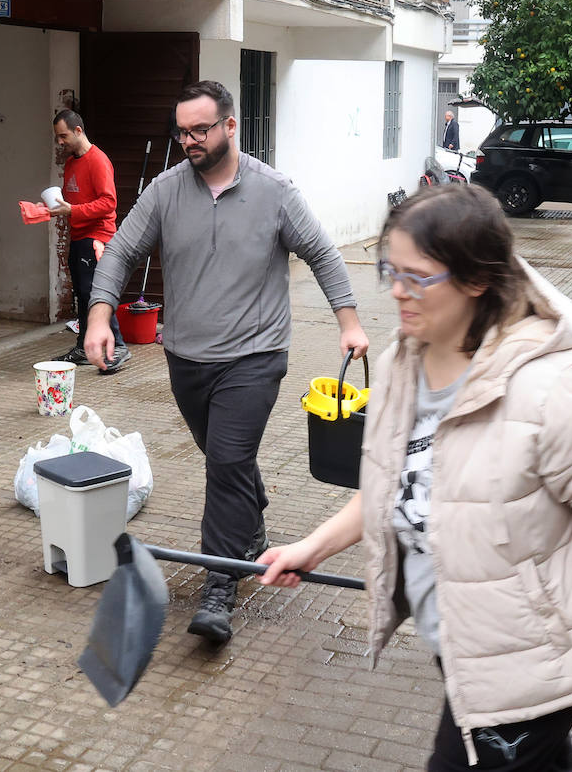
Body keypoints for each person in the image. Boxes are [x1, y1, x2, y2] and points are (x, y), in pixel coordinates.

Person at [257, 184, 572, 770]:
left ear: (476, 279)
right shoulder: (407, 357)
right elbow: (398, 483)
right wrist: (311, 547)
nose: (397, 291)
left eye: (417, 276)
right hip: (469, 643)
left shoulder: (549, 386)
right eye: (389, 271)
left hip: (534, 655)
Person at [84, 80, 370, 644]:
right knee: (227, 461)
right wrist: (99, 315)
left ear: (230, 126)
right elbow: (119, 250)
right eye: (182, 131)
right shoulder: (166, 192)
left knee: (226, 461)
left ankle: (221, 584)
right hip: (186, 357)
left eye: (200, 130)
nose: (189, 140)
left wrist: (350, 321)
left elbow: (321, 253)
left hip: (255, 356)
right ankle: (252, 514)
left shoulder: (275, 192)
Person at [50, 109, 130, 374]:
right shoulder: (73, 162)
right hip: (78, 235)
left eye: (63, 136)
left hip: (98, 236)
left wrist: (71, 211)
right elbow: (74, 200)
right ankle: (85, 348)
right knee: (83, 295)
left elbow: (109, 203)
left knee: (95, 292)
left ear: (78, 131)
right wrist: (50, 208)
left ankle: (117, 347)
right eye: (57, 137)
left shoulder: (98, 160)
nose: (60, 142)